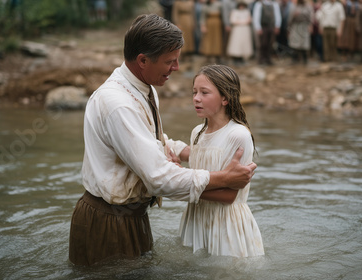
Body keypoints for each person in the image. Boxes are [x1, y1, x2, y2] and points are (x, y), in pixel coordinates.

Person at [68, 14, 257, 266]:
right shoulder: (118, 104)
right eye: (170, 61)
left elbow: (152, 140)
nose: (177, 68)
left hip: (132, 216)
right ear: (143, 60)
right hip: (109, 221)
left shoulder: (144, 88)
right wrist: (223, 178)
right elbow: (158, 178)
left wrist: (195, 151)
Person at [179, 64, 264, 258]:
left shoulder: (238, 135)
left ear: (225, 98)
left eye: (204, 93)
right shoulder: (196, 133)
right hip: (196, 217)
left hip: (226, 223)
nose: (196, 98)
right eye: (194, 92)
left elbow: (228, 196)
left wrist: (178, 188)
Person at [253, 0, 282, 65]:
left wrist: (277, 26)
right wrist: (258, 27)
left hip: (271, 26)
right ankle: (261, 60)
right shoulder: (259, 4)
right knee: (263, 44)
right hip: (263, 26)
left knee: (270, 43)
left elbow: (277, 15)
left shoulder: (274, 4)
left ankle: (268, 59)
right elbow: (256, 16)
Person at [227, 1, 254, 65]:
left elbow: (249, 20)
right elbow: (233, 20)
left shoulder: (247, 11)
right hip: (237, 30)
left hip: (245, 30)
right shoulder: (235, 11)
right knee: (236, 43)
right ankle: (236, 58)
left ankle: (242, 58)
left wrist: (241, 21)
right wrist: (243, 22)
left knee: (244, 43)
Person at [287, 0, 313, 65]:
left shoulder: (308, 7)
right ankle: (294, 59)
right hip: (295, 26)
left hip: (304, 26)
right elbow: (289, 19)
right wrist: (294, 16)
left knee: (304, 44)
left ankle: (305, 59)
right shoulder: (293, 6)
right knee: (294, 43)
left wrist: (310, 25)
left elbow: (311, 17)